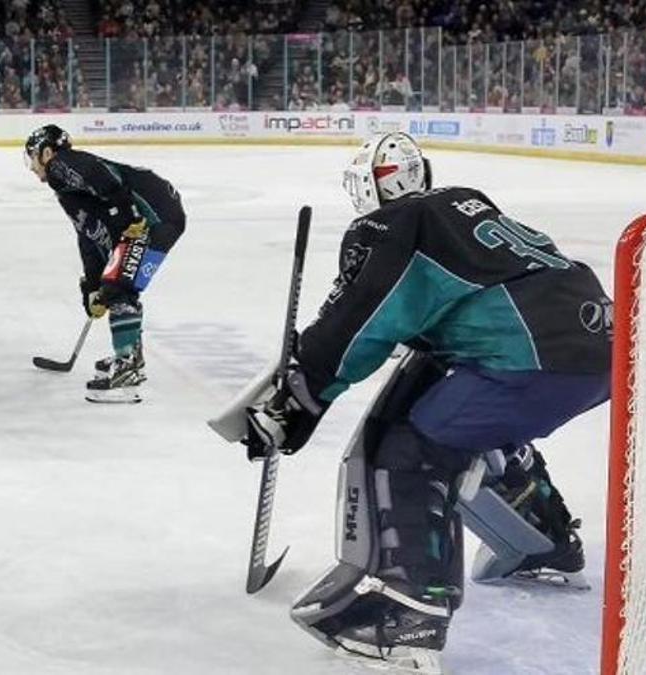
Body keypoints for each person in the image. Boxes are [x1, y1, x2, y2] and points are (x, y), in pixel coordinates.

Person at [237, 132, 612, 672]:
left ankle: (409, 613)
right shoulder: (461, 207)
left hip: (527, 357)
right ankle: (543, 540)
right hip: (599, 349)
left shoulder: (393, 223)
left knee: (408, 453)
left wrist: (297, 399)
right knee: (464, 422)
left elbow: (360, 320)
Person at [23, 125, 185, 403]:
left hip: (153, 215)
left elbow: (102, 176)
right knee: (116, 285)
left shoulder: (61, 165)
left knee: (119, 287)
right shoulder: (66, 189)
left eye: (32, 156)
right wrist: (91, 284)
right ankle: (130, 359)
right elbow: (89, 236)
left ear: (46, 152)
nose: (31, 165)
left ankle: (126, 372)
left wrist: (130, 214)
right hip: (152, 214)